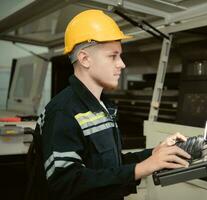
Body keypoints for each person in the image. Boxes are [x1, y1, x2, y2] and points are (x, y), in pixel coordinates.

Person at [31, 9, 191, 200]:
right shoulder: (63, 111)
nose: (121, 64)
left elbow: (111, 166)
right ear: (84, 59)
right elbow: (66, 183)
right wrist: (141, 168)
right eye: (112, 56)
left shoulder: (102, 107)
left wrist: (155, 153)